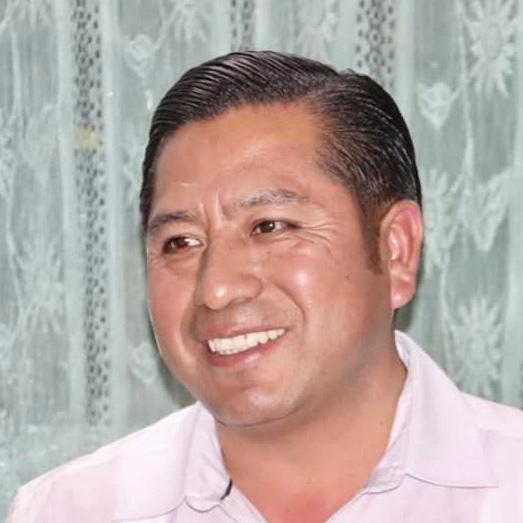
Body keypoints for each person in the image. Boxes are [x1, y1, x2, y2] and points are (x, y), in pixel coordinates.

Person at [8, 50, 523, 522]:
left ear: (396, 251)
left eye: (270, 227)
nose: (217, 289)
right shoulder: (69, 510)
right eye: (181, 242)